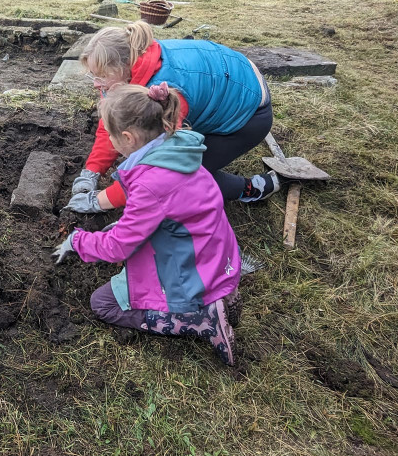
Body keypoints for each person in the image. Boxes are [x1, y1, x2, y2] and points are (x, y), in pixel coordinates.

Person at [54, 83, 241, 365]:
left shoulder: (150, 184)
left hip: (192, 272)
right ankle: (222, 296)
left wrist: (77, 241)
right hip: (218, 258)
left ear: (127, 138)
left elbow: (118, 247)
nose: (109, 141)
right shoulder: (179, 151)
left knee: (102, 304)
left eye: (109, 135)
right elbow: (162, 215)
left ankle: (199, 320)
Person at [68, 21, 277, 213]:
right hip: (229, 76)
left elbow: (158, 169)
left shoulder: (163, 92)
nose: (96, 83)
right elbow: (113, 122)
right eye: (93, 75)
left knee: (183, 180)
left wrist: (101, 200)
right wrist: (92, 171)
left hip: (250, 111)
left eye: (101, 76)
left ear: (123, 67)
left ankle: (252, 188)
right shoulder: (131, 64)